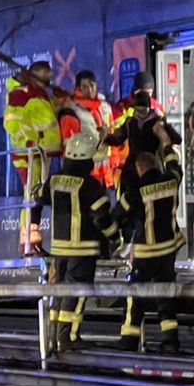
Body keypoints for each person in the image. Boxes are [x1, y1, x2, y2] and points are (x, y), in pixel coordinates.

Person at [44, 131, 123, 351]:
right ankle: (68, 337)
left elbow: (39, 197)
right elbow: (102, 218)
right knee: (77, 293)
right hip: (83, 248)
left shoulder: (54, 180)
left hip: (58, 248)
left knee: (59, 293)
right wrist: (115, 237)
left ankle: (53, 336)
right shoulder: (91, 185)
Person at [114, 119, 185, 352]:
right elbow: (175, 164)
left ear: (138, 169)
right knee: (165, 296)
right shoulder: (172, 181)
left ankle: (129, 340)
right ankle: (170, 342)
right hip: (169, 250)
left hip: (145, 253)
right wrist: (165, 141)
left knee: (136, 295)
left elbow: (115, 218)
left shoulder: (134, 193)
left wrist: (116, 241)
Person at [3, 60, 62, 254]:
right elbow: (12, 124)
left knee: (36, 194)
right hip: (28, 154)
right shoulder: (20, 95)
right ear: (36, 75)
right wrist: (31, 141)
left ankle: (32, 240)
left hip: (41, 154)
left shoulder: (40, 95)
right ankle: (28, 242)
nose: (49, 82)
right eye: (46, 78)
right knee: (32, 194)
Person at [59, 70, 115, 187]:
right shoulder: (70, 110)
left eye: (92, 85)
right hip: (82, 171)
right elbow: (69, 143)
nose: (89, 90)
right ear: (78, 87)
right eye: (84, 86)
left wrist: (114, 159)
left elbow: (112, 133)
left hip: (105, 171)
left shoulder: (105, 107)